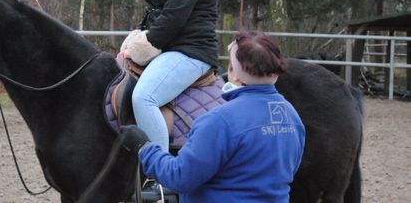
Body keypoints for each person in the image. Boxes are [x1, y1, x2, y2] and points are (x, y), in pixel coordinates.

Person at [119, 30, 306, 203]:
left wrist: (145, 147)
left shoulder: (219, 121)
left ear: (235, 74)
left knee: (143, 97)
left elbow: (179, 177)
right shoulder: (291, 115)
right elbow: (290, 169)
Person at [117, 0, 230, 151]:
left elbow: (174, 17)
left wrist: (144, 46)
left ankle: (159, 168)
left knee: (144, 97)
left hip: (192, 51)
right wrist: (137, 38)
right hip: (171, 47)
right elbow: (156, 12)